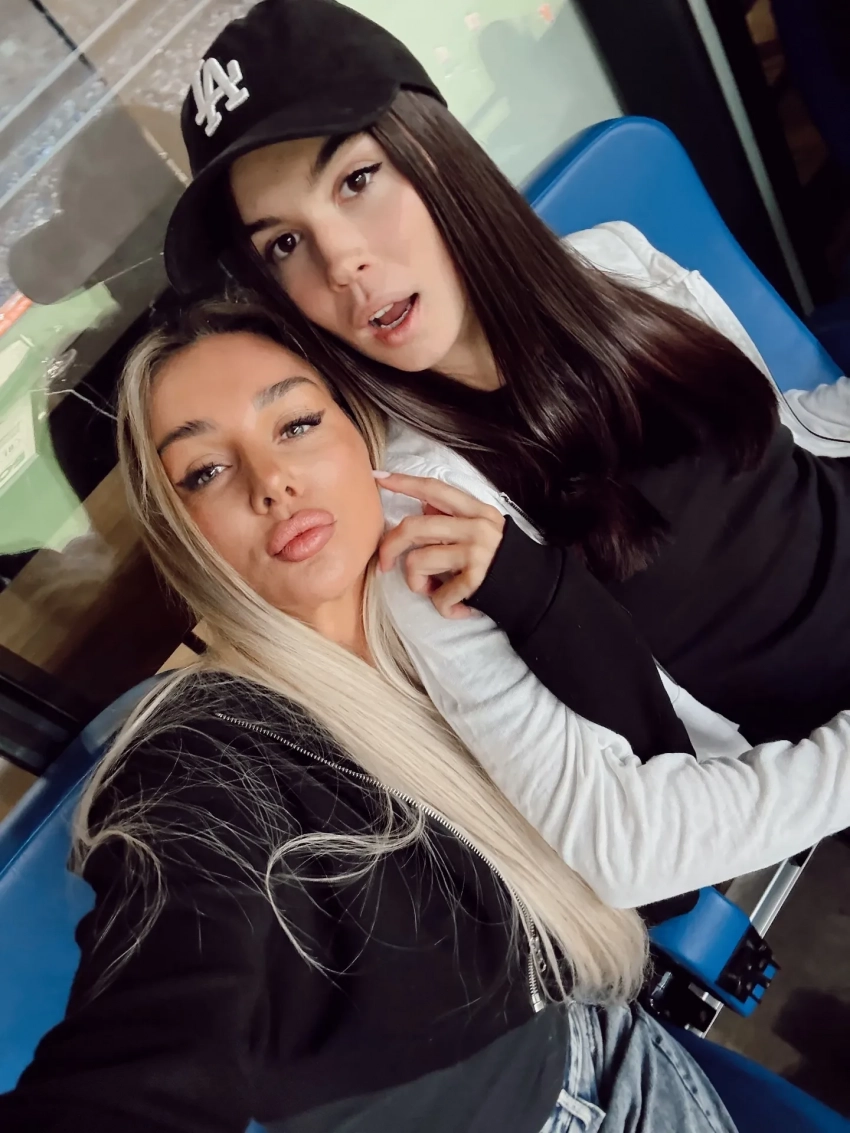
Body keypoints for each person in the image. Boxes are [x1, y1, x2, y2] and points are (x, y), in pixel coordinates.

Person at [0, 298, 750, 1133]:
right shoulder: (197, 759)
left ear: (360, 433)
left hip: (631, 1054)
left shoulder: (465, 610)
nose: (271, 481)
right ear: (181, 534)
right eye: (205, 471)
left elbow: (668, 876)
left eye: (295, 425)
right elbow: (151, 1037)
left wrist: (542, 593)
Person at [160, 0, 850, 899]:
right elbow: (623, 845)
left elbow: (785, 444)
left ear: (435, 151)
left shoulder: (615, 263)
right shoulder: (422, 516)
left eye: (357, 180)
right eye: (285, 243)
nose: (341, 263)